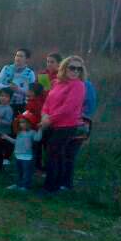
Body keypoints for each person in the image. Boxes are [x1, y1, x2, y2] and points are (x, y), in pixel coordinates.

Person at [40, 56, 87, 193]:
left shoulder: (78, 85)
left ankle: (50, 187)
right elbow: (48, 102)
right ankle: (58, 184)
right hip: (51, 123)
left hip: (66, 126)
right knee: (55, 155)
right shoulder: (56, 82)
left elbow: (68, 108)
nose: (75, 71)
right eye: (72, 68)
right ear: (64, 68)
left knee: (53, 155)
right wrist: (44, 114)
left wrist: (49, 119)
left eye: (79, 69)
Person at [3, 112, 43, 191]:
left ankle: (25, 186)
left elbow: (37, 139)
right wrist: (7, 137)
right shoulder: (19, 132)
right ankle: (18, 184)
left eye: (23, 122)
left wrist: (40, 129)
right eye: (20, 122)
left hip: (27, 157)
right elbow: (16, 142)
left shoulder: (32, 132)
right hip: (18, 156)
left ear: (30, 123)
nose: (21, 124)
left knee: (26, 173)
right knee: (18, 172)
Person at [0, 48, 36, 116]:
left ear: (27, 59)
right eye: (17, 55)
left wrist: (18, 90)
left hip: (20, 105)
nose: (18, 58)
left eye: (21, 56)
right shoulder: (6, 68)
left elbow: (31, 92)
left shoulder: (30, 73)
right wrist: (9, 87)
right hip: (4, 104)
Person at [0, 88, 15, 171]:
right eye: (1, 95)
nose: (3, 98)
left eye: (6, 96)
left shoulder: (9, 109)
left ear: (10, 98)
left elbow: (8, 122)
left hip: (4, 134)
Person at [25, 83, 46, 169]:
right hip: (36, 127)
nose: (27, 91)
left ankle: (37, 166)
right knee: (37, 148)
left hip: (35, 128)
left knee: (36, 148)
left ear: (34, 92)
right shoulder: (34, 101)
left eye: (29, 90)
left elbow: (35, 115)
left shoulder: (35, 102)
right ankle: (37, 165)